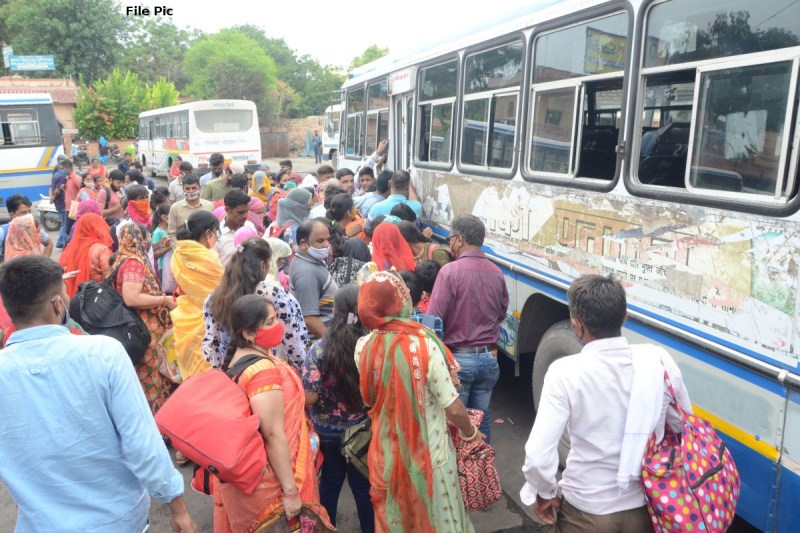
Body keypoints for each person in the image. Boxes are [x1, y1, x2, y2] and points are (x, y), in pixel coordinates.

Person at [0, 255, 196, 532]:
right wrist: (178, 507)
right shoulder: (103, 354)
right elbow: (142, 442)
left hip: (39, 523)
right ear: (57, 304)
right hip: (115, 519)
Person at [521, 275, 692, 531]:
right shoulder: (658, 360)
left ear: (576, 326)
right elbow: (681, 425)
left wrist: (545, 494)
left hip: (585, 513)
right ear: (624, 317)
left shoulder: (564, 372)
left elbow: (537, 457)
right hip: (644, 509)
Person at [355, 270, 479, 532]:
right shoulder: (425, 345)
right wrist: (470, 433)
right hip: (430, 454)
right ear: (401, 302)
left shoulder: (363, 346)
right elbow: (454, 408)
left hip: (388, 452)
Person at [215, 294, 334, 532]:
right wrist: (290, 492)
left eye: (276, 318)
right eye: (270, 322)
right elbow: (272, 434)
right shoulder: (262, 371)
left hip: (258, 479)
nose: (278, 325)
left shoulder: (245, 357)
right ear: (248, 333)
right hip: (274, 485)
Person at [428, 215, 508, 442]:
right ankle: (483, 470)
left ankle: (459, 475)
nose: (449, 243)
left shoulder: (449, 272)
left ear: (460, 239)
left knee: (457, 422)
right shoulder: (497, 272)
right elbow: (500, 314)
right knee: (481, 418)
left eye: (450, 238)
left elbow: (433, 320)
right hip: (489, 360)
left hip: (460, 361)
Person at [303, 285, 374, 532]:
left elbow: (309, 398)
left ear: (335, 309)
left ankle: (328, 527)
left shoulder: (319, 349)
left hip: (327, 433)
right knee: (363, 487)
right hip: (361, 432)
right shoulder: (370, 346)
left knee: (330, 484)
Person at [203, 238, 308, 371]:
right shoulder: (275, 295)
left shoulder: (214, 299)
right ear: (263, 264)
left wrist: (220, 372)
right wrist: (304, 370)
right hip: (264, 368)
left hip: (230, 372)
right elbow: (293, 341)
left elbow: (212, 343)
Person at [113, 223, 176, 413]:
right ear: (138, 239)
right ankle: (155, 417)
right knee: (150, 373)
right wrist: (164, 300)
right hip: (145, 326)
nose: (148, 240)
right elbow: (131, 298)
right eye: (146, 236)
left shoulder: (122, 257)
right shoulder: (134, 262)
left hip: (137, 325)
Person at [170, 210, 223, 379]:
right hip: (204, 322)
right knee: (206, 371)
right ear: (208, 233)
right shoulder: (208, 258)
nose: (216, 237)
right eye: (216, 233)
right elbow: (221, 291)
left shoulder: (178, 253)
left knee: (191, 370)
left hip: (184, 318)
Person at [289, 219, 338, 339]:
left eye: (328, 239)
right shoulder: (307, 273)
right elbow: (309, 319)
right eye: (320, 241)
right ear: (304, 244)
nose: (327, 244)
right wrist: (333, 344)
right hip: (320, 343)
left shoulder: (310, 261)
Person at [59, 213, 113, 297]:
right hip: (96, 298)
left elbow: (62, 270)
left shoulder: (71, 247)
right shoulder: (102, 250)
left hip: (73, 298)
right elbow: (109, 278)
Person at [0, 194, 53, 259]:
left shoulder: (34, 228)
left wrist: (44, 263)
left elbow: (49, 244)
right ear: (12, 215)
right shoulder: (3, 232)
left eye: (29, 212)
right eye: (23, 212)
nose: (28, 215)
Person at [167, 174, 214, 242]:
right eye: (187, 188)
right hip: (183, 249)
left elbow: (213, 230)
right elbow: (171, 234)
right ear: (183, 189)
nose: (191, 191)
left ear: (199, 188)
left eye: (194, 188)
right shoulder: (175, 208)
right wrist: (179, 249)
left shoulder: (209, 206)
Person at [216, 189, 257, 266]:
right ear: (228, 210)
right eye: (240, 212)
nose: (245, 216)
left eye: (246, 211)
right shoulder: (217, 234)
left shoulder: (250, 227)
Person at [51, 156, 69, 248]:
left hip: (58, 203)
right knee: (65, 223)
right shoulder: (62, 176)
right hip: (62, 202)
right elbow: (58, 190)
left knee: (63, 222)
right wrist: (53, 197)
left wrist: (52, 198)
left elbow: (51, 187)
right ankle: (63, 242)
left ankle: (60, 242)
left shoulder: (55, 173)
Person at [151, 204, 171, 283]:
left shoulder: (172, 230)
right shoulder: (158, 232)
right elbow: (154, 255)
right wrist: (169, 247)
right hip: (163, 267)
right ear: (164, 217)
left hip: (173, 265)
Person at [63, 159, 83, 234]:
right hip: (68, 208)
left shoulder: (76, 179)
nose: (61, 171)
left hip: (74, 209)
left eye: (62, 168)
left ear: (68, 168)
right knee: (69, 231)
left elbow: (83, 191)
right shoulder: (67, 178)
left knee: (71, 230)